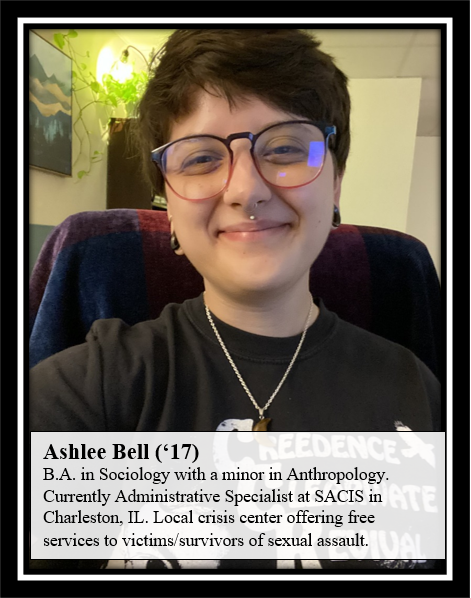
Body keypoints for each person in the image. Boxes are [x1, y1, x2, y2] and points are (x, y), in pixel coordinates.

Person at [30, 29, 440, 570]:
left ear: (336, 182)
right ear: (168, 205)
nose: (247, 190)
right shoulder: (93, 389)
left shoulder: (418, 392)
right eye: (201, 158)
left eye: (286, 148)